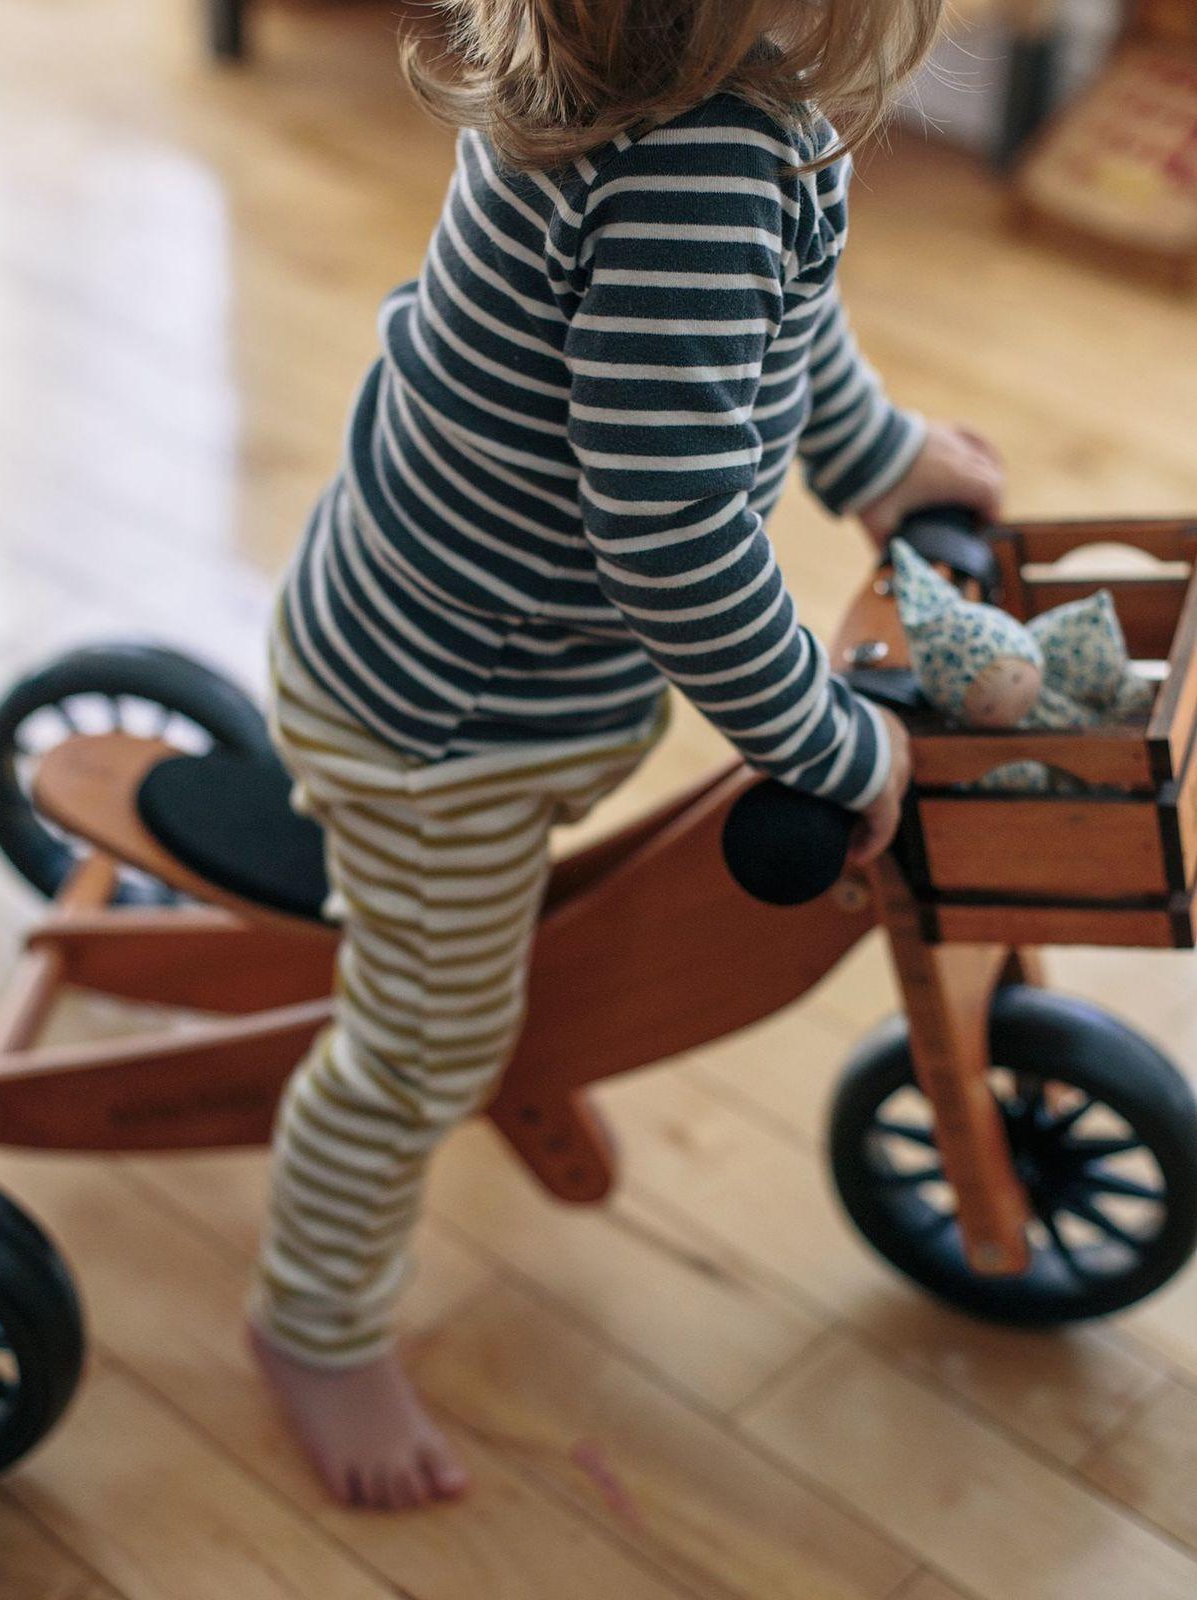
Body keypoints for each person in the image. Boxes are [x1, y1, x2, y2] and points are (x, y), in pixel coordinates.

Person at [248, 0, 1004, 1511]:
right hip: (447, 722)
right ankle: (312, 1327)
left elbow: (777, 322)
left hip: (449, 640)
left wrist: (872, 453)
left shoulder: (678, 85)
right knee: (427, 1046)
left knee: (461, 976)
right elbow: (673, 543)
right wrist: (829, 742)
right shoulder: (693, 167)